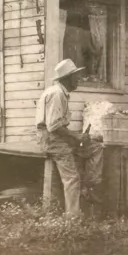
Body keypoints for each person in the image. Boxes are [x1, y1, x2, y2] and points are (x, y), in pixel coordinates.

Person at [35, 59, 104, 216]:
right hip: (51, 139)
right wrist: (77, 137)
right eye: (75, 76)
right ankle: (73, 216)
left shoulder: (61, 93)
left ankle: (89, 186)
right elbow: (54, 126)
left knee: (95, 147)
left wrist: (78, 138)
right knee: (72, 178)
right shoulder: (56, 94)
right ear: (66, 78)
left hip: (57, 136)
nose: (78, 79)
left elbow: (59, 126)